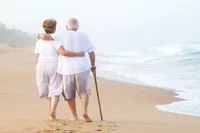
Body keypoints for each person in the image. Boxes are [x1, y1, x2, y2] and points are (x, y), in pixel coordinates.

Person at [39, 18, 96, 122]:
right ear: (78, 27)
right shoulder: (84, 36)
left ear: (66, 27)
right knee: (83, 92)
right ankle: (85, 111)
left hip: (66, 69)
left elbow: (44, 37)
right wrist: (93, 65)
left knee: (69, 95)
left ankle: (74, 116)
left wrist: (39, 36)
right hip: (82, 68)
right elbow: (91, 52)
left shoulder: (61, 35)